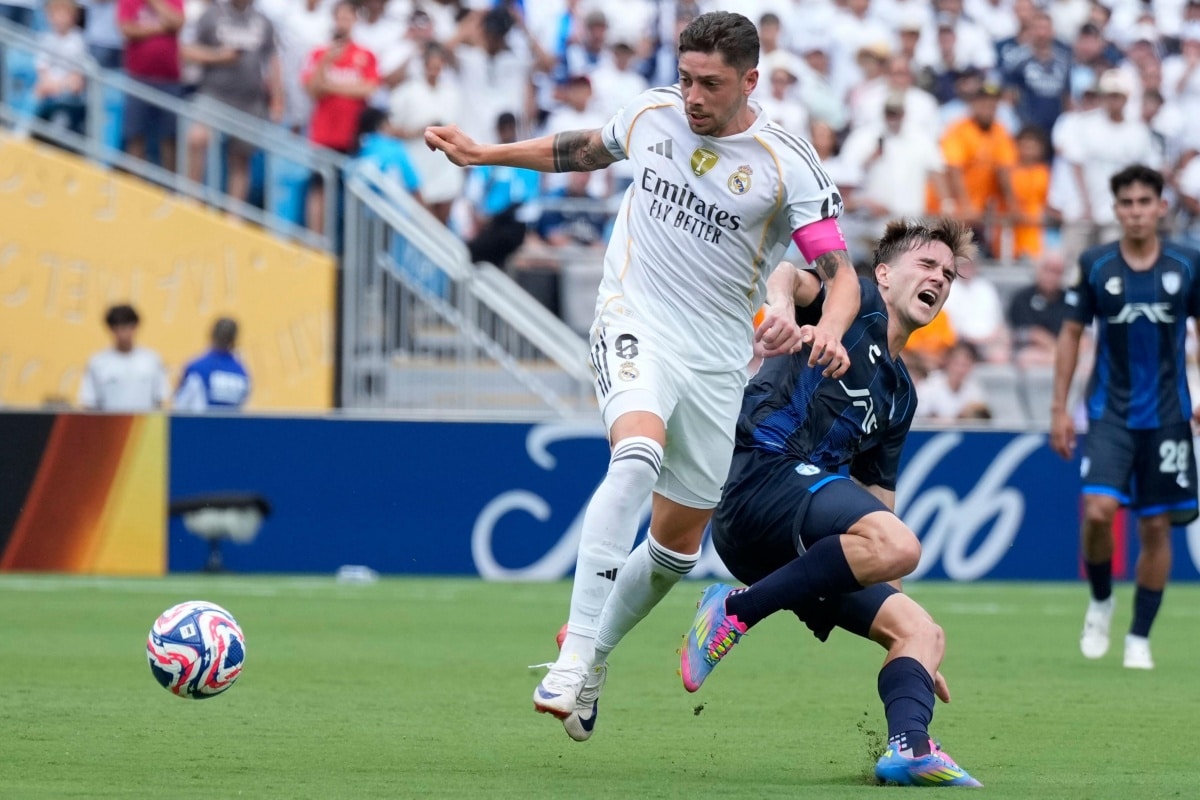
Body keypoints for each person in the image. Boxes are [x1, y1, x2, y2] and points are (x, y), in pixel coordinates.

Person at [425, 10, 858, 742]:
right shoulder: (654, 113)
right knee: (636, 454)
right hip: (633, 318)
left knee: (676, 547)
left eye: (710, 84)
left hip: (718, 357)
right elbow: (582, 149)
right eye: (685, 77)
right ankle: (574, 653)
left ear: (750, 81)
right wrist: (484, 155)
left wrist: (830, 332)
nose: (691, 94)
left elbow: (838, 273)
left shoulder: (787, 163)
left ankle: (592, 660)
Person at [680, 217, 982, 788]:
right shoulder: (856, 301)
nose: (939, 279)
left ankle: (909, 747)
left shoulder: (901, 394)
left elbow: (878, 507)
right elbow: (789, 274)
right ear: (886, 273)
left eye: (948, 274)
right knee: (900, 544)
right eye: (927, 265)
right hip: (757, 475)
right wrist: (783, 311)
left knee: (923, 632)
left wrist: (906, 639)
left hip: (791, 546)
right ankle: (735, 611)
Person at [1051, 164, 1200, 671]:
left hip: (1169, 415)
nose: (1136, 211)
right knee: (1097, 512)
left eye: (1144, 202)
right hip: (1108, 412)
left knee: (1156, 528)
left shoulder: (1188, 264)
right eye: (1127, 203)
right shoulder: (1095, 265)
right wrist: (1059, 409)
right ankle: (1100, 600)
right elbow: (1070, 334)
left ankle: (1139, 636)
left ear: (1161, 207)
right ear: (1116, 210)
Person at [78, 304, 171, 411]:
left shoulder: (151, 360)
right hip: (109, 425)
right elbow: (89, 402)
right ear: (111, 330)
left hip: (145, 425)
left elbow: (161, 399)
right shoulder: (98, 362)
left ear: (135, 327)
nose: (123, 334)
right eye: (118, 329)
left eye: (127, 328)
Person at [174, 317, 251, 411]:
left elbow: (180, 405)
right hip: (231, 425)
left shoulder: (197, 368)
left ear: (211, 335)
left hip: (201, 425)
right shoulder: (242, 373)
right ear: (234, 340)